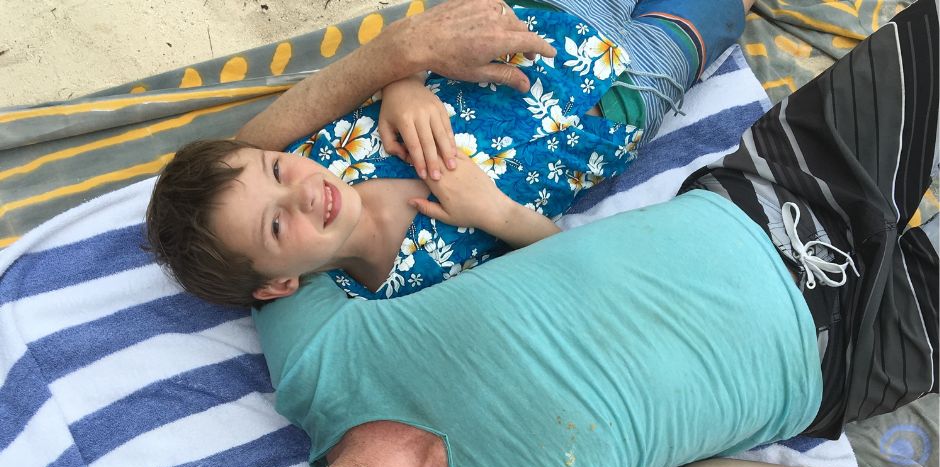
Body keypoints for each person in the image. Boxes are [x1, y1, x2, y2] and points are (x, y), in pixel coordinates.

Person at [160, 0, 939, 467]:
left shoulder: (316, 366)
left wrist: (399, 58)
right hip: (843, 362)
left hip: (771, 196)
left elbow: (233, 168)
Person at [146, 0, 749, 304]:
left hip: (544, 19)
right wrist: (495, 214)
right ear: (279, 285)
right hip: (623, 99)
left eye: (278, 172)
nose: (301, 191)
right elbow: (577, 270)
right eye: (276, 225)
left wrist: (401, 81)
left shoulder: (317, 151)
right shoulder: (405, 292)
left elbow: (244, 149)